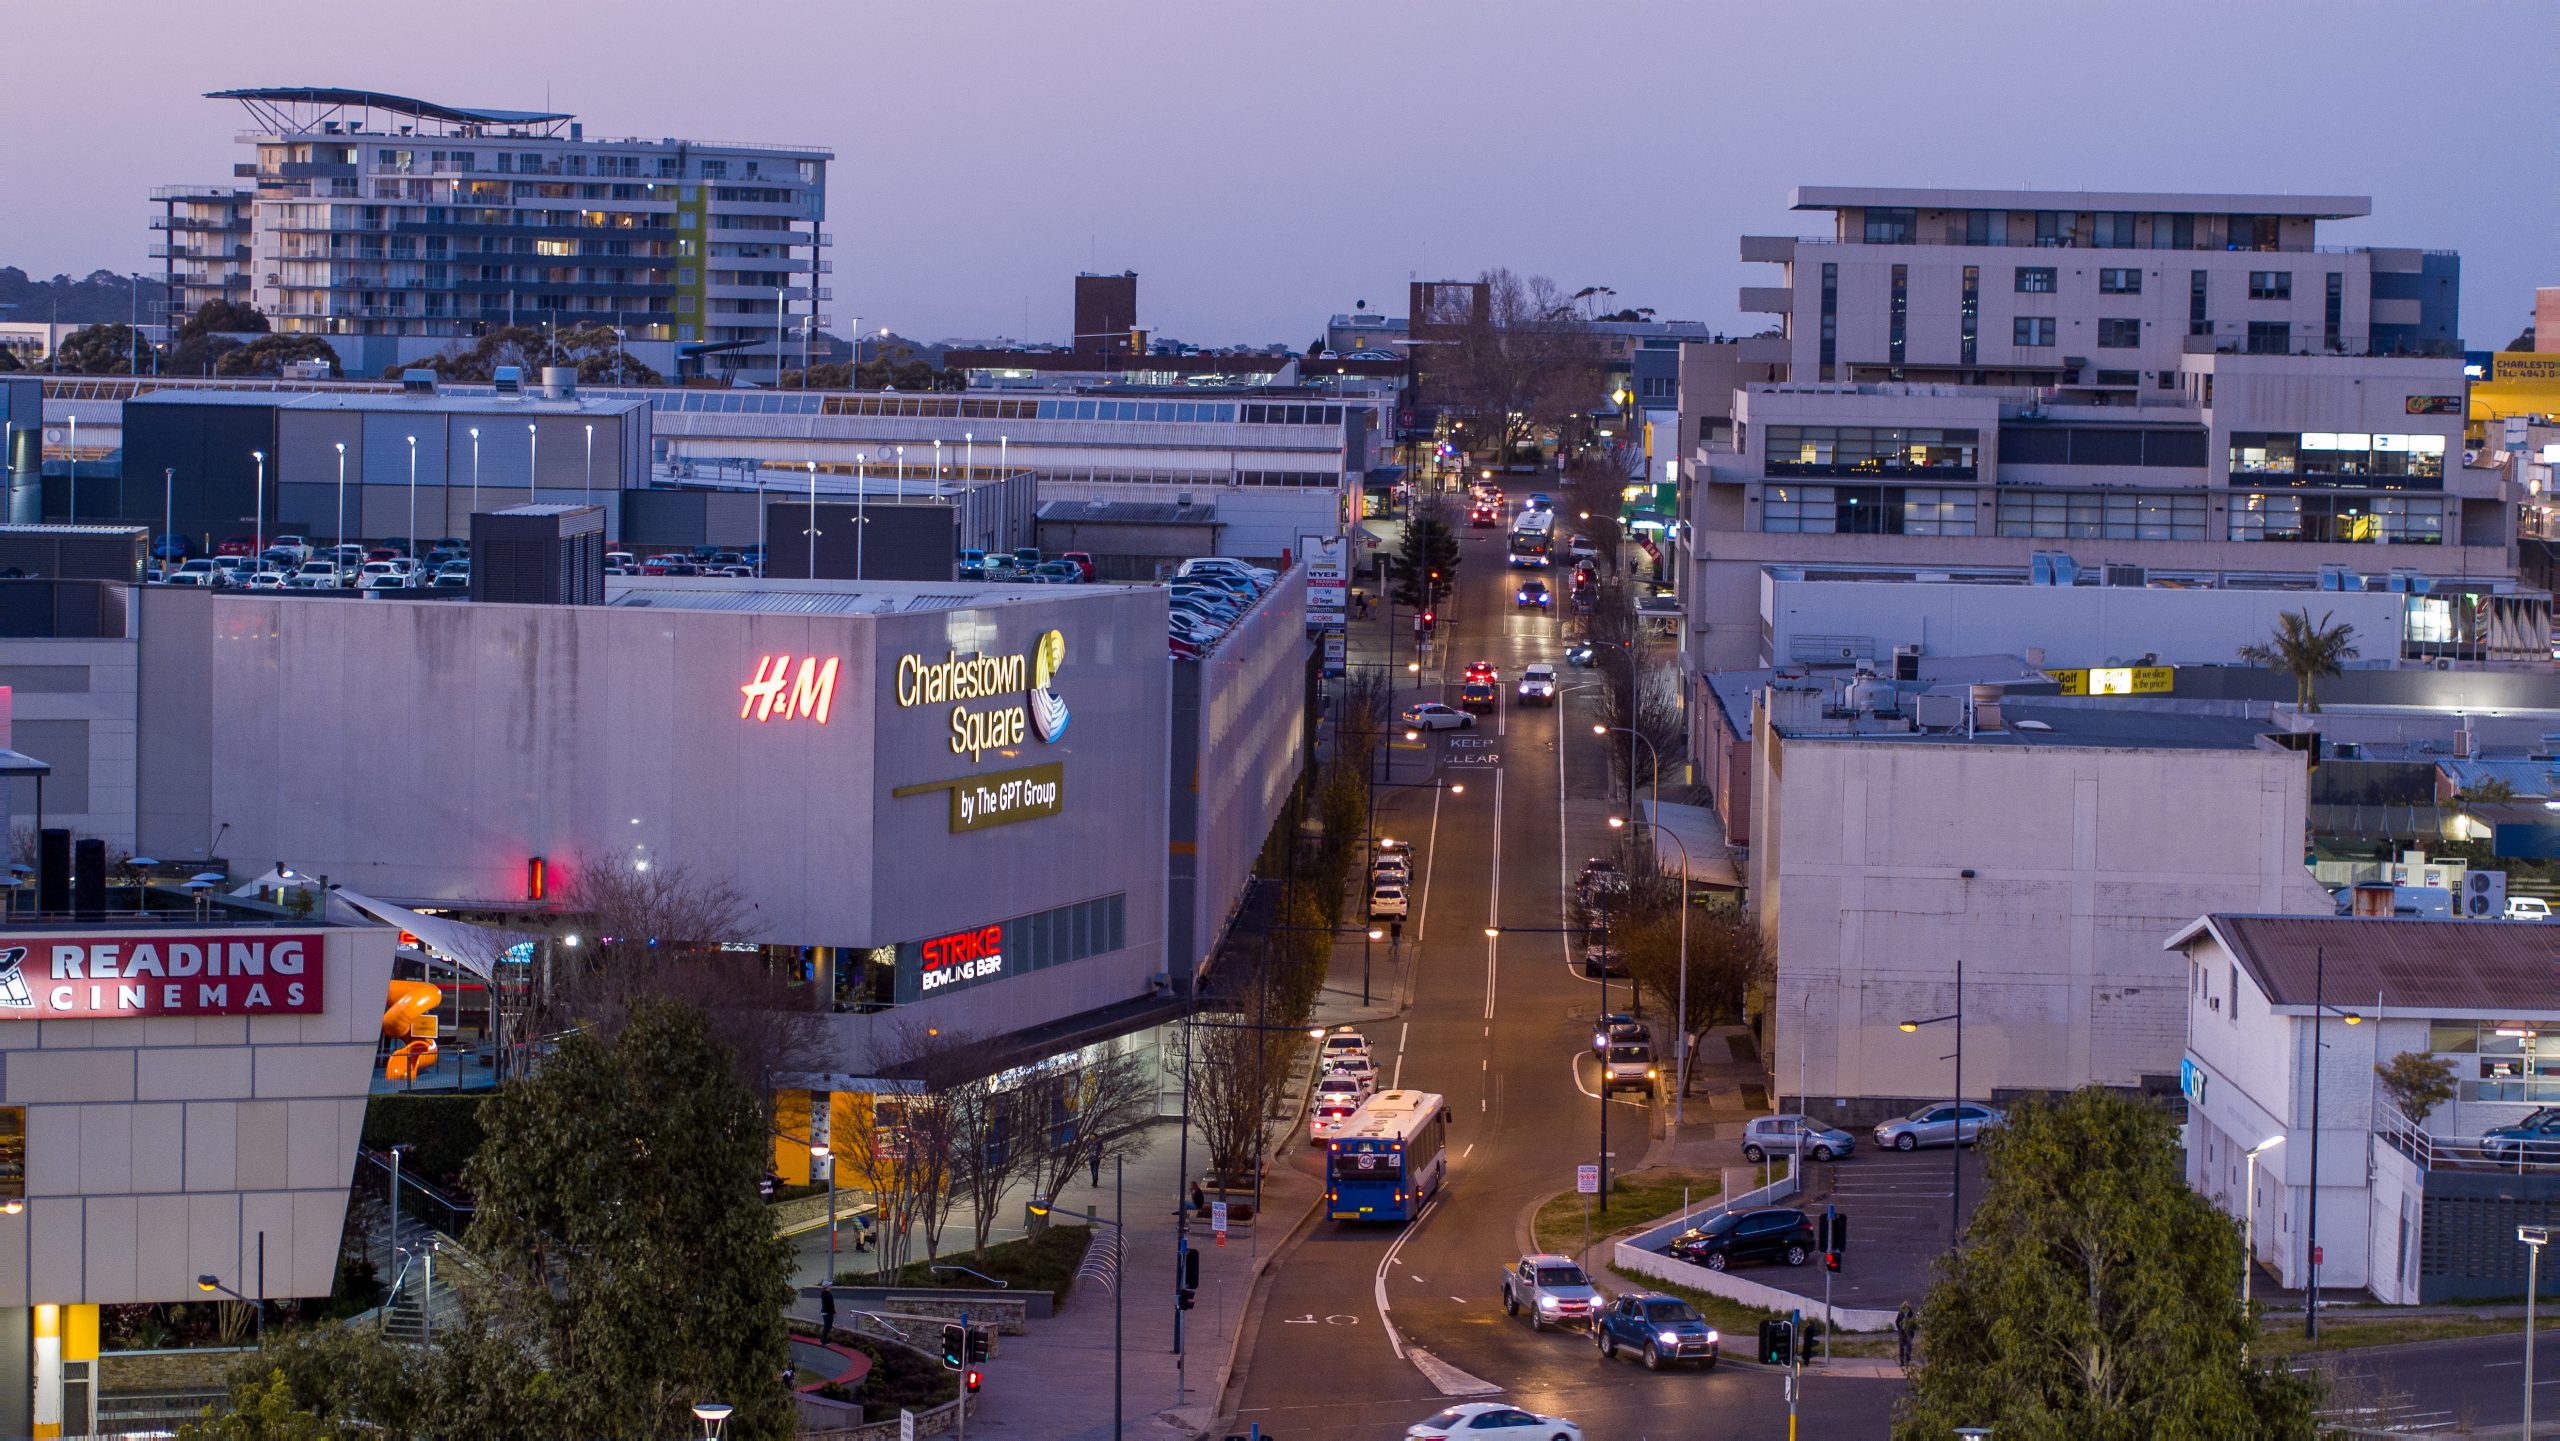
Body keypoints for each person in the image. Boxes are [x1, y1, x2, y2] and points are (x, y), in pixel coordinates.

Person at [1894, 1301, 1917, 1367]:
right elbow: (1897, 1322)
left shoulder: (1910, 1313)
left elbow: (1914, 1322)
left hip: (1909, 1332)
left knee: (1908, 1347)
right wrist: (1899, 1329)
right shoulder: (1900, 1313)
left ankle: (1907, 1361)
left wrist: (1911, 1328)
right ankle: (1902, 1362)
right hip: (1902, 1333)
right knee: (1901, 1348)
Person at [819, 1279, 836, 1345]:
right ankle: (824, 1340)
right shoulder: (827, 1295)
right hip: (828, 1313)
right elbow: (830, 1305)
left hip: (825, 1312)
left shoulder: (825, 1294)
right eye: (829, 1285)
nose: (831, 1287)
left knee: (827, 1326)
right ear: (827, 1287)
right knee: (827, 1326)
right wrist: (834, 1312)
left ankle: (824, 1339)